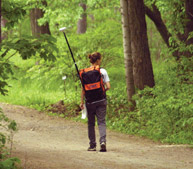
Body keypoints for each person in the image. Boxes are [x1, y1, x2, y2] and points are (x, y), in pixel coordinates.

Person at [80, 52, 110, 152]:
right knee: (101, 122)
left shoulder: (85, 73)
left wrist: (81, 102)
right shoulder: (102, 71)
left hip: (90, 101)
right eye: (100, 59)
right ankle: (102, 142)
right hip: (101, 100)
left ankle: (92, 145)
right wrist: (102, 91)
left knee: (91, 123)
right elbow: (108, 86)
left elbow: (83, 89)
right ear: (98, 60)